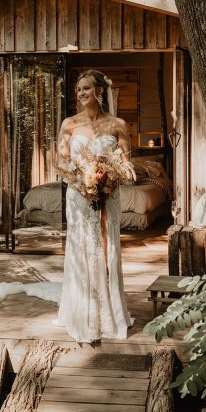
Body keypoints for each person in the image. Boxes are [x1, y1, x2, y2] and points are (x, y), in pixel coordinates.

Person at [55, 69, 134, 342]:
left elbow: (126, 163)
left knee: (106, 247)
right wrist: (82, 185)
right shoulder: (69, 124)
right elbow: (61, 164)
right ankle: (82, 312)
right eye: (78, 90)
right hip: (78, 196)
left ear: (100, 91)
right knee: (81, 248)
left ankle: (109, 311)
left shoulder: (117, 125)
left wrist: (110, 181)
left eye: (86, 89)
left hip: (108, 196)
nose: (80, 94)